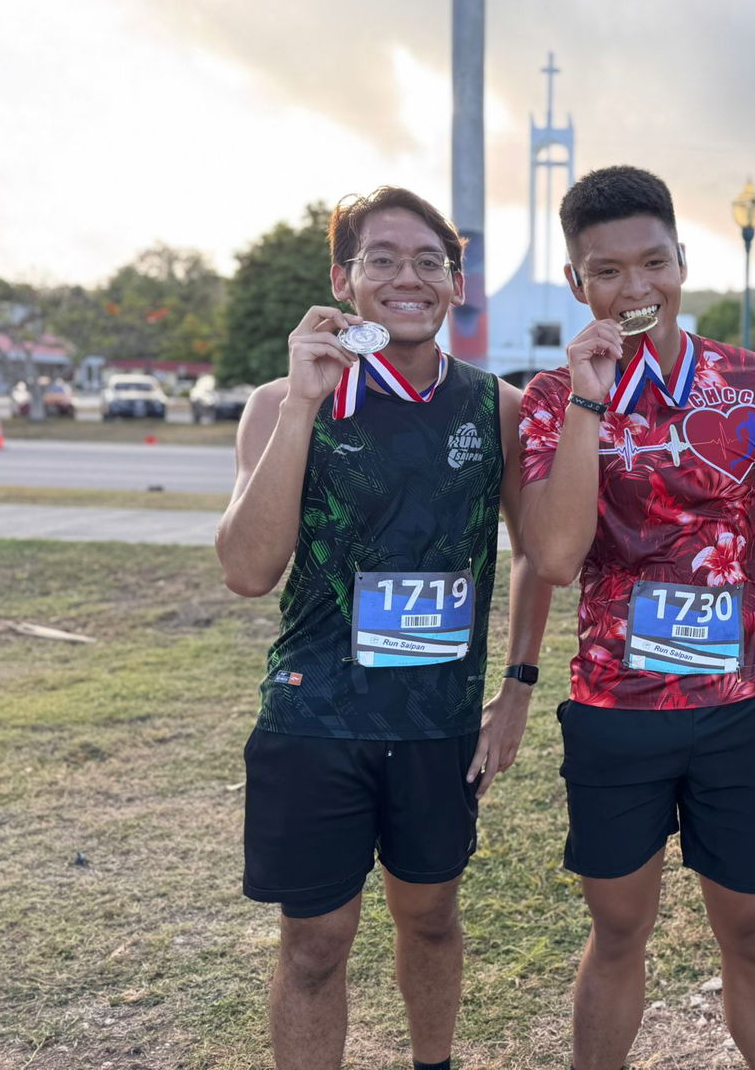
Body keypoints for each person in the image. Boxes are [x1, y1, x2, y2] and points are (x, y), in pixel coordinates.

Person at [215, 186, 552, 1070]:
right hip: (314, 718)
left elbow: (534, 554)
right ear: (344, 278)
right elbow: (248, 572)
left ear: (456, 282)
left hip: (437, 723)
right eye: (384, 260)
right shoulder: (276, 404)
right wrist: (299, 404)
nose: (409, 278)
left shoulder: (499, 409)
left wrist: (516, 690)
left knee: (434, 919)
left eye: (429, 262)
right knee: (316, 945)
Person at [518, 165, 755, 1070]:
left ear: (683, 263)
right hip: (617, 710)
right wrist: (587, 396)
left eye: (654, 263)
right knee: (618, 934)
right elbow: (558, 557)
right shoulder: (552, 398)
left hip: (741, 709)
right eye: (608, 272)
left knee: (754, 933)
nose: (636, 288)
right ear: (578, 286)